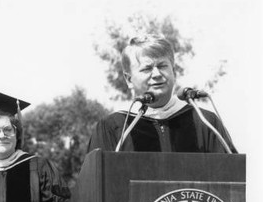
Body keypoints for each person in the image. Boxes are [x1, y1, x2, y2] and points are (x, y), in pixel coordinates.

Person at [87, 34, 236, 153]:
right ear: (129, 79)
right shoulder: (113, 127)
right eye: (147, 69)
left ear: (174, 71)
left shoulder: (205, 123)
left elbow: (231, 181)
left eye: (163, 66)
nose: (157, 74)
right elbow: (96, 186)